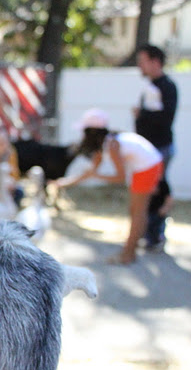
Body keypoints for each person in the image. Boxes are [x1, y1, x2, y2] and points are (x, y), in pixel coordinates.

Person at [53, 108, 163, 265]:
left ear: (91, 132)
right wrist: (62, 183)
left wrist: (97, 176)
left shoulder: (112, 145)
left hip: (147, 167)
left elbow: (119, 178)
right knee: (136, 211)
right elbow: (90, 172)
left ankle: (128, 254)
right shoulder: (103, 145)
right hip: (145, 166)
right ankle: (131, 251)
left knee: (138, 212)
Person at [133, 44, 178, 249]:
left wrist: (142, 115)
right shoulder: (149, 87)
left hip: (160, 148)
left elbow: (166, 117)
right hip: (148, 148)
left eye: (142, 61)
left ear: (155, 62)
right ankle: (148, 234)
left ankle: (156, 236)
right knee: (148, 192)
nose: (139, 66)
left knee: (157, 191)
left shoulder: (167, 86)